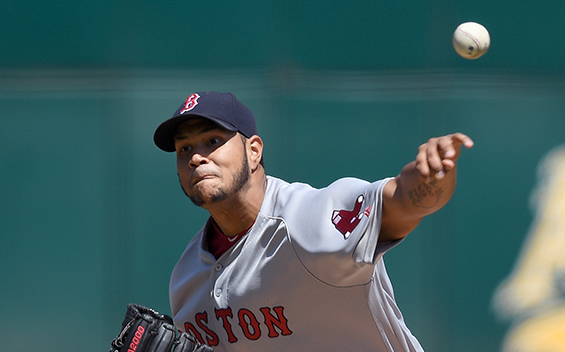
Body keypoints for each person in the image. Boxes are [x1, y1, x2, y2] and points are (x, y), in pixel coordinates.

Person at [153, 91, 473, 351]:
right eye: (184, 148)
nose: (196, 157)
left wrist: (432, 175)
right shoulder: (186, 279)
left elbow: (404, 201)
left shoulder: (311, 219)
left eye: (212, 141)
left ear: (253, 151)